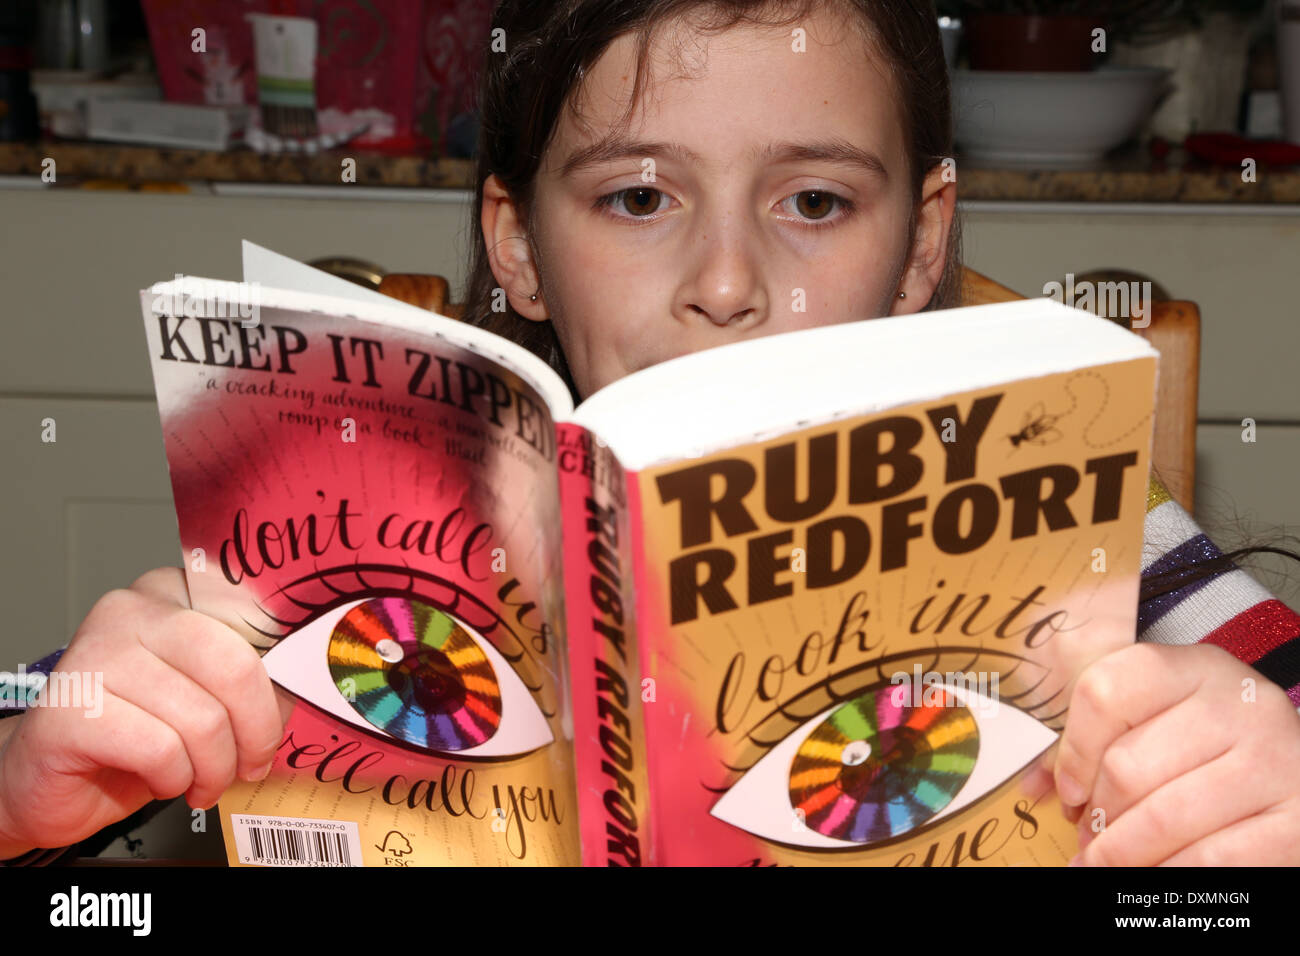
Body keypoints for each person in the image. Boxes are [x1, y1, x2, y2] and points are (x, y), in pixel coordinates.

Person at [3, 0, 1299, 866]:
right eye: (636, 196)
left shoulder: (1076, 517)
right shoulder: (363, 520)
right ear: (516, 243)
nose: (727, 281)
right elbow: (58, 734)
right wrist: (26, 791)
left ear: (921, 246)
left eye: (813, 199)